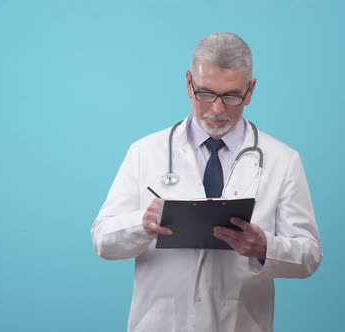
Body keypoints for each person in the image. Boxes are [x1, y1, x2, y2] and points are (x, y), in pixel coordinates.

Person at [91, 32, 322, 332]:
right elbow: (102, 240)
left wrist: (266, 247)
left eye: (231, 96)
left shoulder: (282, 160)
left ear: (250, 91)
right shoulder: (145, 151)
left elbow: (309, 255)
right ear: (188, 83)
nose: (217, 109)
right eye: (205, 93)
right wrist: (142, 224)